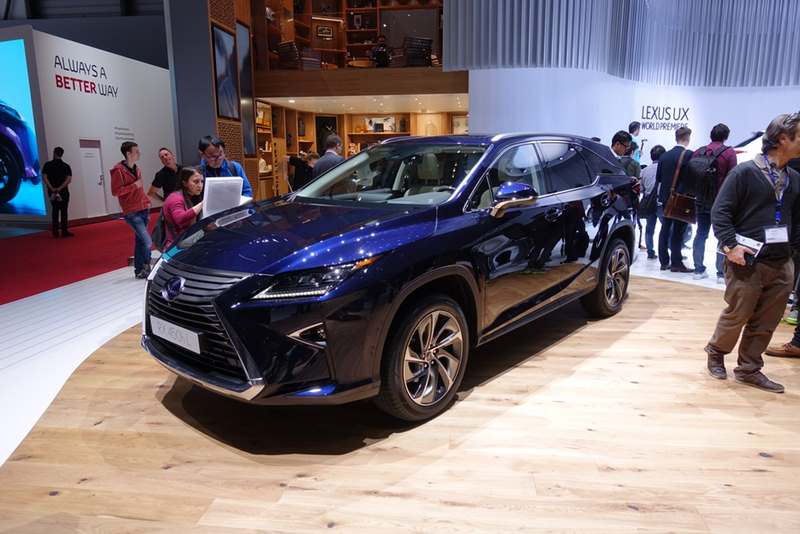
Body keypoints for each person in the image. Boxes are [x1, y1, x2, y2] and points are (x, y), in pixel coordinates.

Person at [706, 112, 800, 392]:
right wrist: (730, 246)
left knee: (768, 320)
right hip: (747, 261)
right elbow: (720, 212)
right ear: (782, 139)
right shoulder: (744, 172)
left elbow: (796, 220)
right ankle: (716, 352)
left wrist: (794, 255)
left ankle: (749, 369)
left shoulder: (795, 178)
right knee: (738, 313)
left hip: (782, 262)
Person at [690, 123, 738, 282]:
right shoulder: (729, 153)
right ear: (726, 137)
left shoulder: (699, 152)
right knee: (722, 237)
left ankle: (698, 269)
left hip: (700, 200)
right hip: (721, 202)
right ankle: (720, 273)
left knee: (701, 234)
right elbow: (733, 178)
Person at [110, 141, 152, 279]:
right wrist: (134, 185)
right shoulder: (118, 170)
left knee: (141, 241)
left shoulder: (136, 168)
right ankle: (146, 266)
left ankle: (140, 270)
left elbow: (140, 189)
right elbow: (115, 191)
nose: (139, 153)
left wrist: (146, 201)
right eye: (136, 151)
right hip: (132, 212)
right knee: (147, 242)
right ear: (128, 153)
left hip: (143, 208)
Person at [656, 127, 694, 273]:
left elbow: (659, 178)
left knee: (664, 229)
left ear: (676, 138)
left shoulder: (664, 156)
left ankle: (663, 262)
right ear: (687, 138)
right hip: (681, 198)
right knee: (678, 231)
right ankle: (676, 263)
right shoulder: (689, 155)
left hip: (666, 198)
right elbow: (691, 177)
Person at [162, 167, 204, 250]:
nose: (200, 185)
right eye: (196, 181)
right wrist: (203, 203)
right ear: (185, 183)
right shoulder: (175, 198)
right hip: (175, 247)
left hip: (186, 240)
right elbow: (180, 218)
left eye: (202, 181)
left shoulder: (192, 196)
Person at [640, 144, 666, 259]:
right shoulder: (665, 170)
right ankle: (666, 252)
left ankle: (650, 252)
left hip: (648, 202)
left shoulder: (644, 170)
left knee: (649, 228)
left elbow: (641, 189)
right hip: (661, 202)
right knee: (666, 228)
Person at [42, 147, 74, 238]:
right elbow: (68, 180)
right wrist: (60, 188)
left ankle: (55, 232)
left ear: (54, 153)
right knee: (64, 211)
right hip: (63, 192)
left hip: (52, 191)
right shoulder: (66, 166)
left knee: (55, 211)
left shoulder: (47, 165)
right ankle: (64, 231)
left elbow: (45, 177)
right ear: (62, 154)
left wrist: (52, 188)